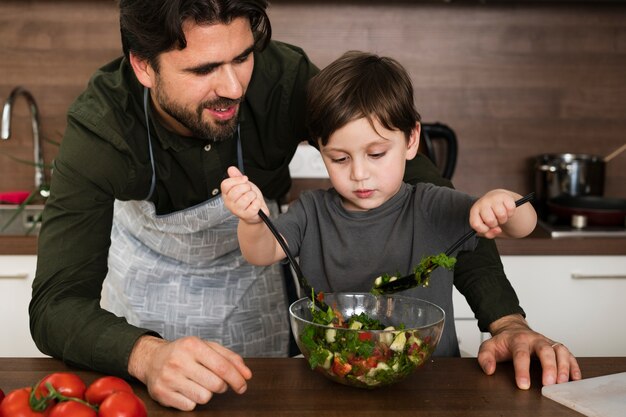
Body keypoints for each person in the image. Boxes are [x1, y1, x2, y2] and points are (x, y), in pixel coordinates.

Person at [28, 0, 579, 412]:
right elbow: (55, 305)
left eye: (242, 57)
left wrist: (506, 320)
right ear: (144, 68)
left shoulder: (285, 78)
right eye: (202, 71)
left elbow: (436, 209)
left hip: (259, 297)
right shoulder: (100, 130)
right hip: (144, 318)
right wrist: (144, 355)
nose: (233, 86)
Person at [221, 50, 538, 359]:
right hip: (333, 372)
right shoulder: (311, 210)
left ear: (411, 140)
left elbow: (523, 226)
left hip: (430, 380)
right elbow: (261, 253)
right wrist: (252, 221)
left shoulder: (432, 205)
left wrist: (504, 202)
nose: (359, 174)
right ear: (320, 150)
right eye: (340, 158)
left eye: (376, 155)